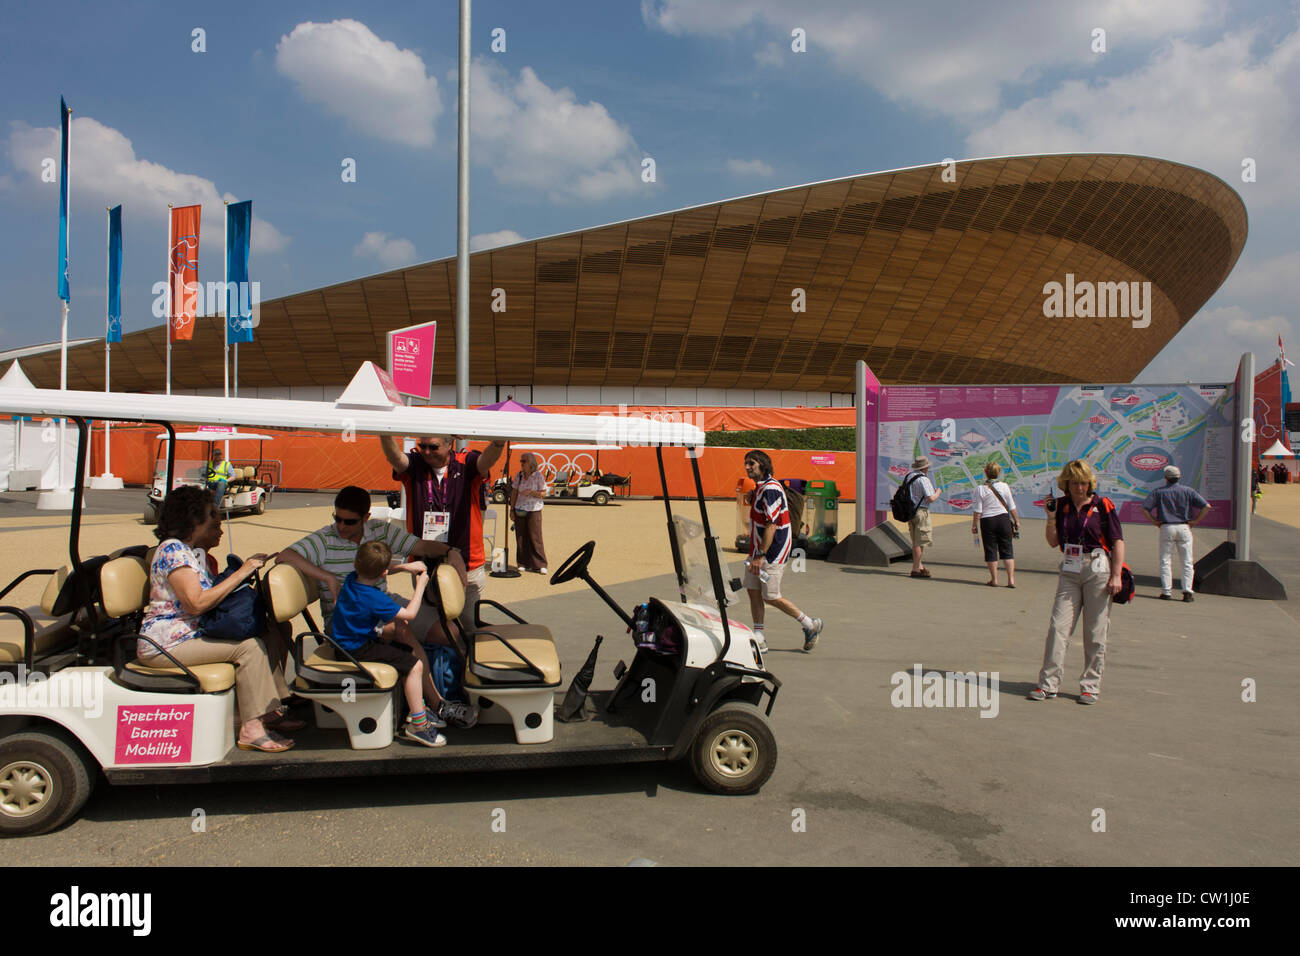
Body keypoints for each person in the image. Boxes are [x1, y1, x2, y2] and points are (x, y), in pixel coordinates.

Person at [276, 485, 477, 728]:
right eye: (337, 518)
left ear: (366, 519)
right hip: (349, 622)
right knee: (402, 629)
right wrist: (327, 577)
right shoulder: (324, 540)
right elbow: (284, 555)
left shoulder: (379, 531)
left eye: (349, 522)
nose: (341, 526)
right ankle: (435, 704)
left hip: (381, 605)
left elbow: (420, 547)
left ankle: (438, 692)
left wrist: (451, 551)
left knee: (449, 632)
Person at [140, 485, 300, 753]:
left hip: (189, 633)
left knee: (269, 630)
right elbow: (196, 603)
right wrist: (243, 572)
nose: (220, 528)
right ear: (193, 522)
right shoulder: (173, 551)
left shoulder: (191, 553)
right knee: (248, 647)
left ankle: (270, 710)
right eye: (212, 521)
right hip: (166, 643)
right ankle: (251, 729)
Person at [381, 434, 505, 632]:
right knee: (434, 627)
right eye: (423, 446)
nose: (427, 452)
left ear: (450, 445)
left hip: (467, 564)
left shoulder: (467, 463)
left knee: (468, 627)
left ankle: (467, 662)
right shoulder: (415, 464)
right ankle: (440, 663)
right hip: (425, 563)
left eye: (433, 446)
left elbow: (485, 462)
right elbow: (396, 459)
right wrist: (384, 433)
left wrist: (499, 441)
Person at [329, 540, 445, 747]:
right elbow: (409, 613)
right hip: (357, 649)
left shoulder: (352, 579)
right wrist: (420, 585)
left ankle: (417, 707)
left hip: (345, 643)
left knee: (405, 649)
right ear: (383, 573)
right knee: (414, 665)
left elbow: (374, 568)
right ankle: (418, 724)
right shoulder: (374, 597)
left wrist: (403, 567)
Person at [1029, 459, 1125, 705]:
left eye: (1083, 483)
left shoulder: (1102, 504)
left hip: (1098, 568)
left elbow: (1117, 541)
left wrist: (1116, 575)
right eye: (1074, 483)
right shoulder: (1060, 506)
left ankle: (1090, 686)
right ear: (1066, 483)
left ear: (1089, 483)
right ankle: (1048, 684)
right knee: (1058, 628)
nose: (1079, 488)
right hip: (1069, 569)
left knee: (1095, 631)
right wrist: (1050, 517)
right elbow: (1052, 542)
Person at [742, 450, 823, 652]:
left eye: (751, 463)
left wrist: (761, 556)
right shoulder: (760, 488)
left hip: (772, 552)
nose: (747, 467)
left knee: (770, 596)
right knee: (753, 591)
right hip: (757, 550)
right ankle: (759, 636)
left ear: (763, 465)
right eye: (746, 463)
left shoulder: (771, 490)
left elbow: (771, 525)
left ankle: (810, 625)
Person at [1142, 465, 1211, 602]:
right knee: (1187, 561)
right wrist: (1195, 521)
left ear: (1166, 478)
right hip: (1184, 527)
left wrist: (1155, 522)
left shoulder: (1158, 492)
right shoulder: (1187, 491)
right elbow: (1206, 506)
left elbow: (1144, 509)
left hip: (1166, 526)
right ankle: (1187, 591)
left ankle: (1166, 591)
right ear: (1179, 477)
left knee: (1165, 560)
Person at [971, 461, 1020, 587]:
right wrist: (1016, 521)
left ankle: (994, 579)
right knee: (1007, 549)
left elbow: (978, 510)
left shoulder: (980, 489)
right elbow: (1012, 506)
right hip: (1003, 519)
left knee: (991, 550)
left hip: (988, 521)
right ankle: (1011, 580)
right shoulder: (1004, 486)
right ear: (998, 473)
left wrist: (974, 524)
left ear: (985, 473)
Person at [904, 456, 943, 578]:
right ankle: (916, 568)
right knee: (919, 541)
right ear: (925, 467)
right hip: (921, 511)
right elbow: (930, 498)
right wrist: (938, 492)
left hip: (910, 511)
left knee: (915, 540)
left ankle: (919, 566)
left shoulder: (909, 476)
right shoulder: (923, 479)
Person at [510, 453, 549, 574]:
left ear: (531, 463)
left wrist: (531, 492)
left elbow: (543, 494)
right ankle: (522, 563)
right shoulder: (519, 475)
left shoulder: (538, 476)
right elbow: (514, 493)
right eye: (521, 461)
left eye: (524, 461)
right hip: (520, 508)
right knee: (520, 536)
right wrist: (511, 509)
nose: (522, 463)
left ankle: (540, 564)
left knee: (535, 536)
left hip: (534, 509)